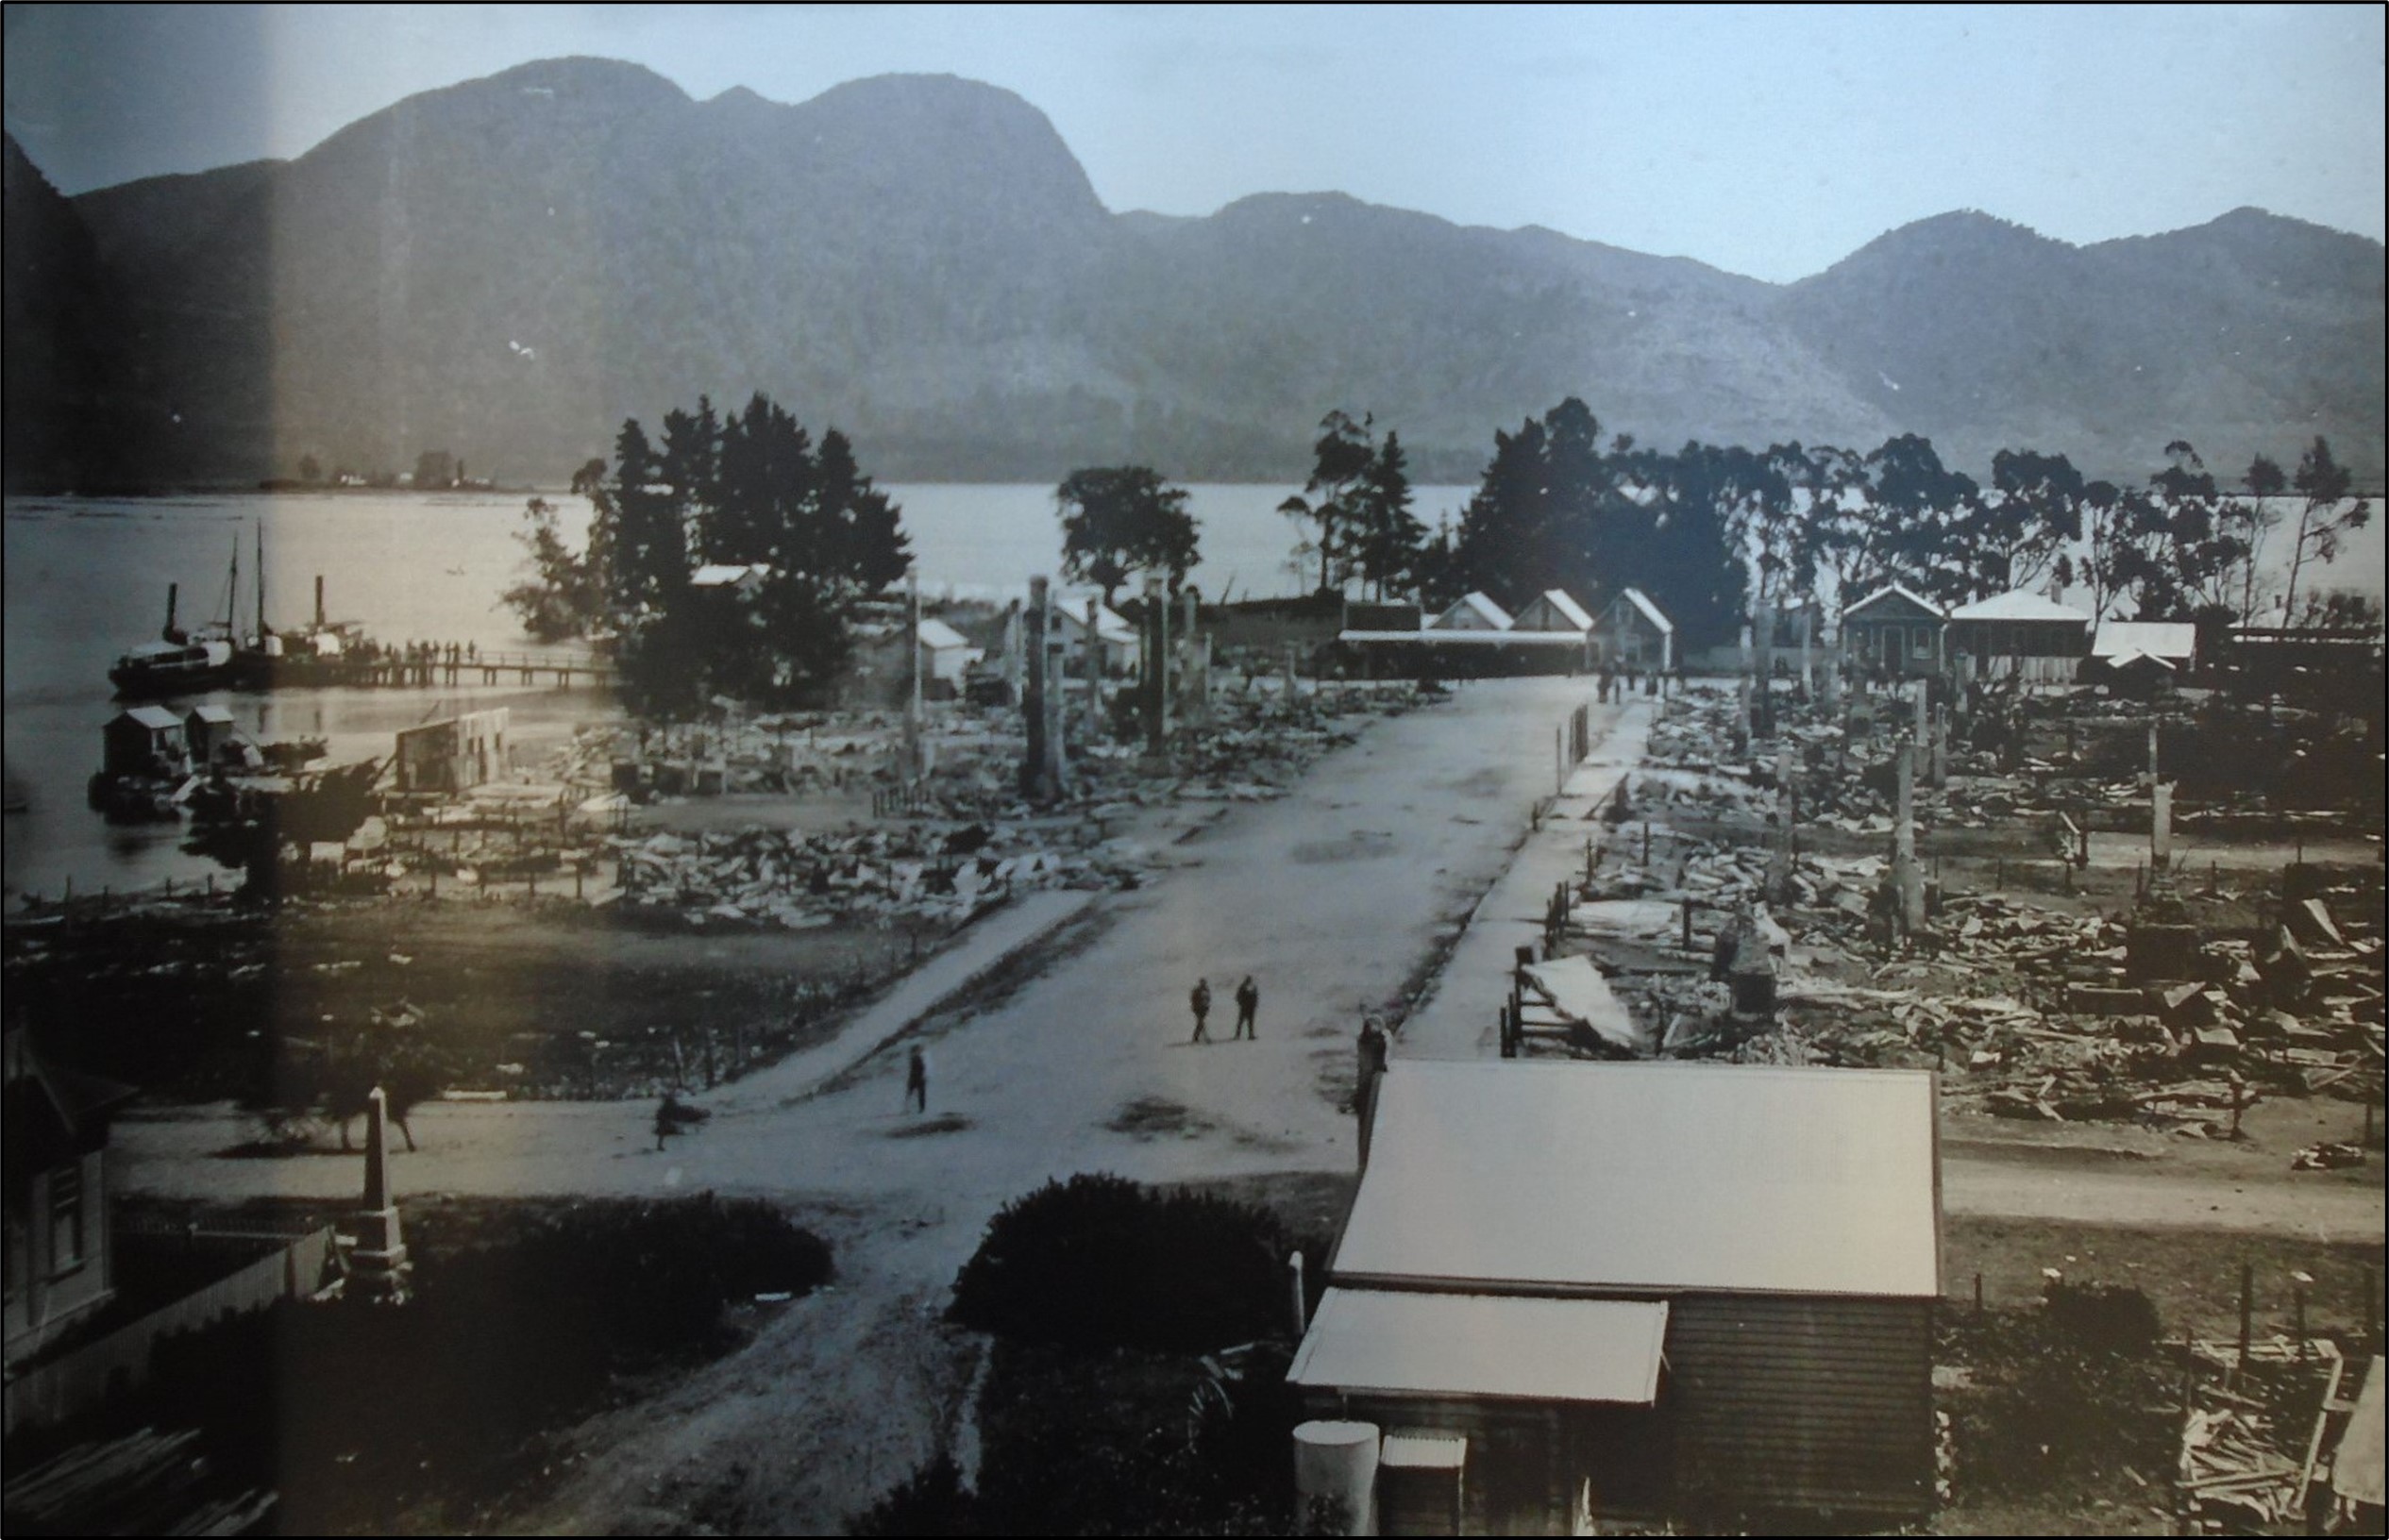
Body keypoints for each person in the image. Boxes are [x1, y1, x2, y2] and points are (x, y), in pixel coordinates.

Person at [1233, 976, 1259, 1041]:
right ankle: (1245, 1035)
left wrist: (1242, 1004)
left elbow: (1255, 997)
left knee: (1245, 1022)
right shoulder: (1249, 987)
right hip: (1247, 1008)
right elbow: (1238, 997)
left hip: (1248, 1008)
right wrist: (1242, 1003)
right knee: (1245, 1022)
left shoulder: (1249, 987)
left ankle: (1241, 1035)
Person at [905, 1044, 929, 1113]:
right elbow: (919, 1069)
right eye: (919, 1050)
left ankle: (913, 1109)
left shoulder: (916, 1058)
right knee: (916, 1094)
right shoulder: (916, 1058)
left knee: (913, 1094)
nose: (920, 1051)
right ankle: (916, 1109)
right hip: (917, 1079)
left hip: (916, 1078)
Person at [1188, 979, 1213, 1044]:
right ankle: (1203, 1038)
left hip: (1204, 1009)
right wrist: (1195, 1007)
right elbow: (1193, 999)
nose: (1203, 984)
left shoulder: (1206, 990)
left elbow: (1208, 999)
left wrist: (1207, 1007)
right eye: (1202, 983)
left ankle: (1196, 1038)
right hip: (1198, 1009)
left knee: (1200, 1024)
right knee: (1201, 1023)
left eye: (1204, 983)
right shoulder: (1197, 990)